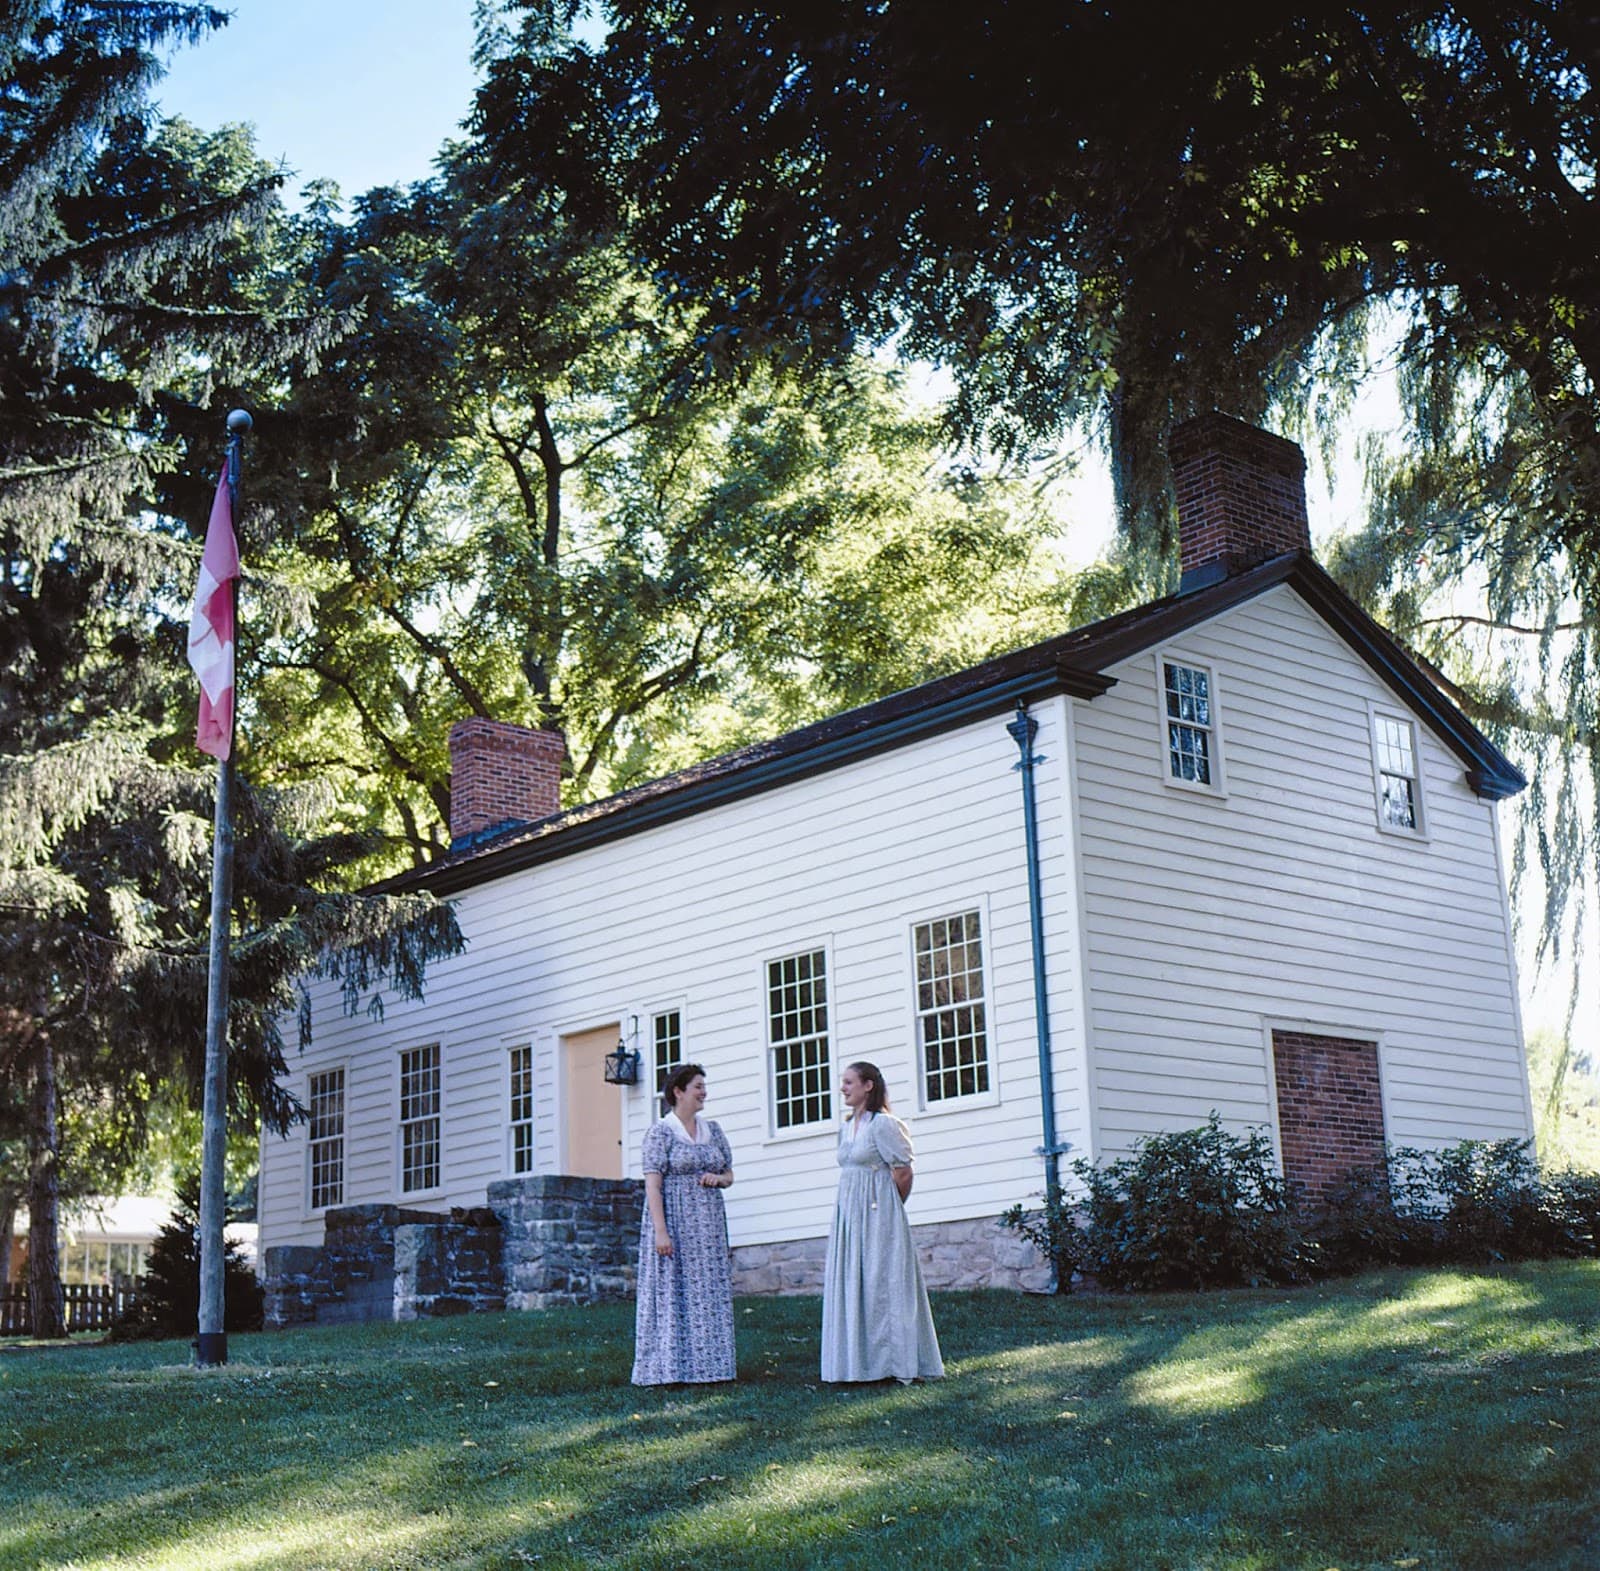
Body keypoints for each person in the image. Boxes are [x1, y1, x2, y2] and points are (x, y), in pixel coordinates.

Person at [820, 1060, 944, 1383]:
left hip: (878, 1213)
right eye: (843, 1082)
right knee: (855, 1281)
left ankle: (893, 1362)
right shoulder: (846, 1128)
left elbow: (903, 1172)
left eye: (849, 1082)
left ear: (868, 1086)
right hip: (849, 1214)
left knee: (881, 1282)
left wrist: (888, 1209)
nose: (843, 1088)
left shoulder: (884, 1125)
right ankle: (857, 1364)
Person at [632, 1062, 736, 1385]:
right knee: (673, 1287)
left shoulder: (713, 1130)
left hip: (708, 1226)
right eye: (698, 1087)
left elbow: (730, 1175)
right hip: (674, 1220)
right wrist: (661, 1231)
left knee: (707, 1288)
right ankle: (669, 1367)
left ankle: (711, 1366)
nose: (704, 1092)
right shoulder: (661, 1132)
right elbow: (653, 1185)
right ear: (678, 1092)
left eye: (704, 1086)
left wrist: (717, 1179)